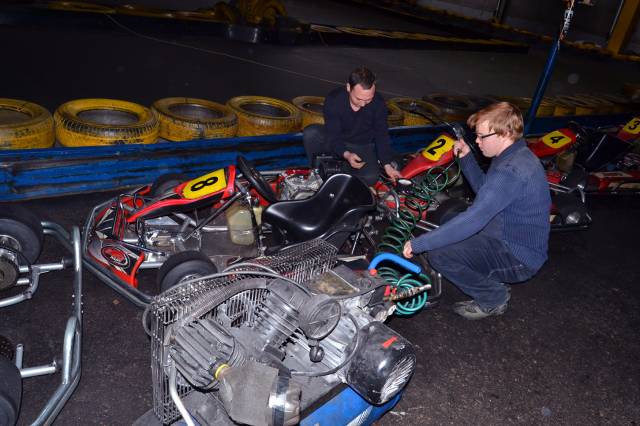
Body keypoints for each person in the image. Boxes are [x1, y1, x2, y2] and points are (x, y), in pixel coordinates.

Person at [403, 102, 551, 320]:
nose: (477, 142)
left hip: (518, 256)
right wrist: (466, 158)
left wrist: (419, 244)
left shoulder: (511, 170)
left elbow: (474, 219)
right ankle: (486, 277)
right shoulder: (514, 154)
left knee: (439, 254)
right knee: (448, 219)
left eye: (482, 136)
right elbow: (486, 191)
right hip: (506, 234)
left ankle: (494, 297)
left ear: (504, 133)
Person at [303, 66, 402, 185]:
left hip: (361, 145)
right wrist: (346, 154)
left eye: (368, 99)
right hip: (336, 140)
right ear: (349, 88)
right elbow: (334, 134)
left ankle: (341, 172)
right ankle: (317, 173)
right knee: (311, 133)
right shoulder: (334, 99)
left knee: (371, 177)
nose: (363, 104)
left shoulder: (378, 103)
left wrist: (387, 165)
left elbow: (381, 135)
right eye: (359, 99)